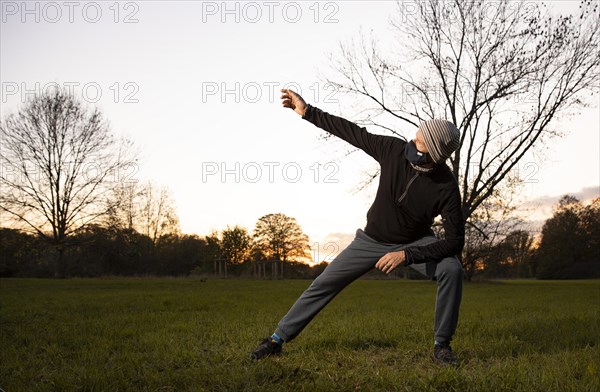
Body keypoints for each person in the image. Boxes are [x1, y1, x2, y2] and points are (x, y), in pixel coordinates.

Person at [250, 88, 465, 366]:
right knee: (323, 283)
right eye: (416, 135)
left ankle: (442, 346)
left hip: (414, 243)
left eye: (421, 142)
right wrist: (308, 112)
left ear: (435, 153)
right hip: (371, 240)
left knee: (451, 268)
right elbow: (352, 132)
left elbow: (455, 242)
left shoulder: (445, 186)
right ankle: (276, 340)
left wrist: (407, 255)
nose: (413, 142)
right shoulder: (393, 150)